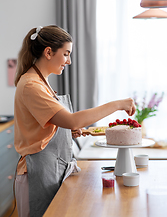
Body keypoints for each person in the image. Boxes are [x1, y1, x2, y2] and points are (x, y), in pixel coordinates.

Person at [14, 25, 136, 217]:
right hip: (37, 173)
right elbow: (72, 120)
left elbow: (48, 125)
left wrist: (63, 132)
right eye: (66, 54)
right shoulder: (31, 85)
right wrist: (117, 104)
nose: (69, 61)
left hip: (49, 171)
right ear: (48, 52)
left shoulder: (41, 83)